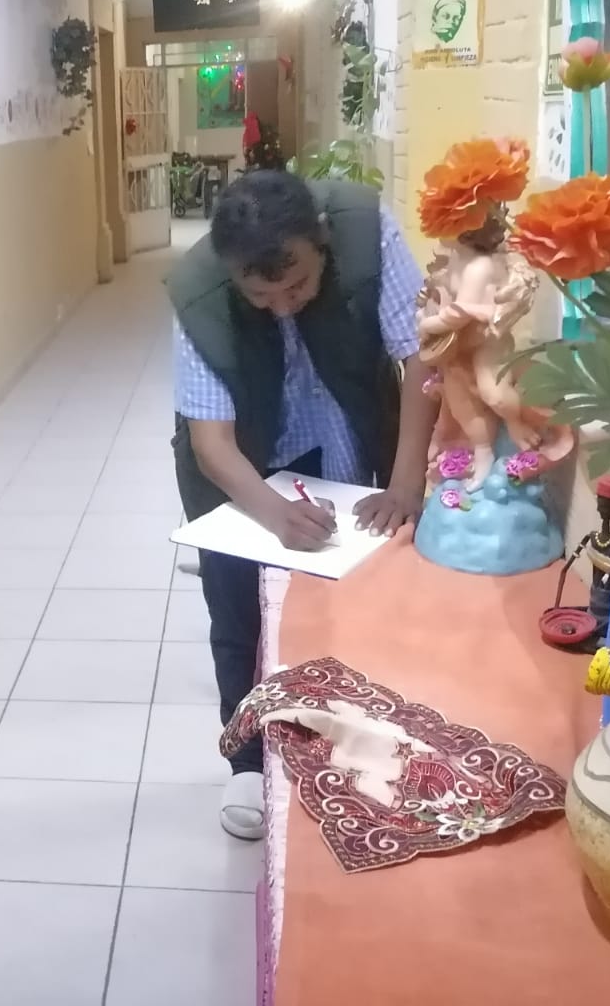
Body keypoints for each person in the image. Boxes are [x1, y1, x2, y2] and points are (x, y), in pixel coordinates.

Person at [168, 170, 436, 840]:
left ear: (321, 243)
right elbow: (211, 442)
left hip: (343, 425)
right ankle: (247, 757)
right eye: (261, 296)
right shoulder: (198, 291)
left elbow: (422, 358)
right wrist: (271, 510)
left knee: (343, 586)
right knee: (237, 604)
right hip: (243, 460)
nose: (283, 308)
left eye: (299, 287)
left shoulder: (365, 231)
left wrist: (405, 482)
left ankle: (340, 732)